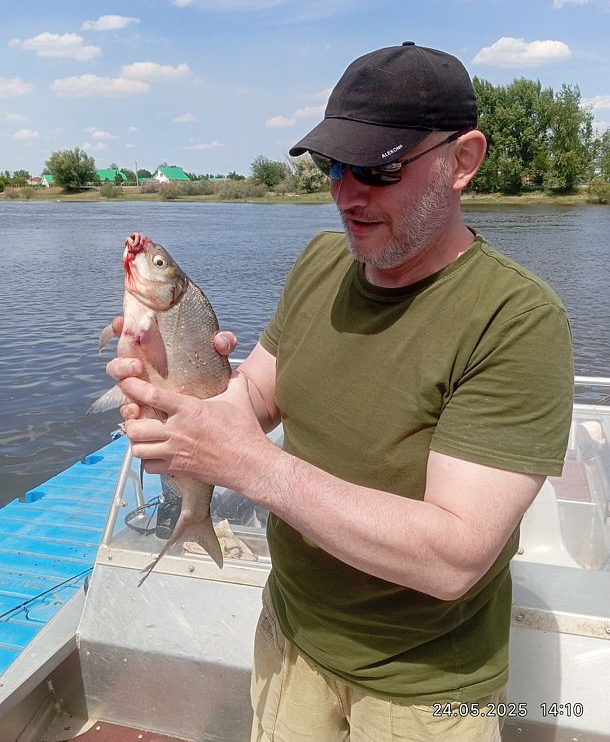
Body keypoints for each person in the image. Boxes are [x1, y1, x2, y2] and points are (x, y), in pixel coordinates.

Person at [108, 41, 574, 742]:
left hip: (421, 688)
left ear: (463, 160)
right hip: (291, 635)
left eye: (378, 168)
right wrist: (171, 394)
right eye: (333, 165)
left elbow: (453, 557)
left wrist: (248, 465)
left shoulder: (517, 320)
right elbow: (252, 402)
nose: (346, 191)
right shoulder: (323, 262)